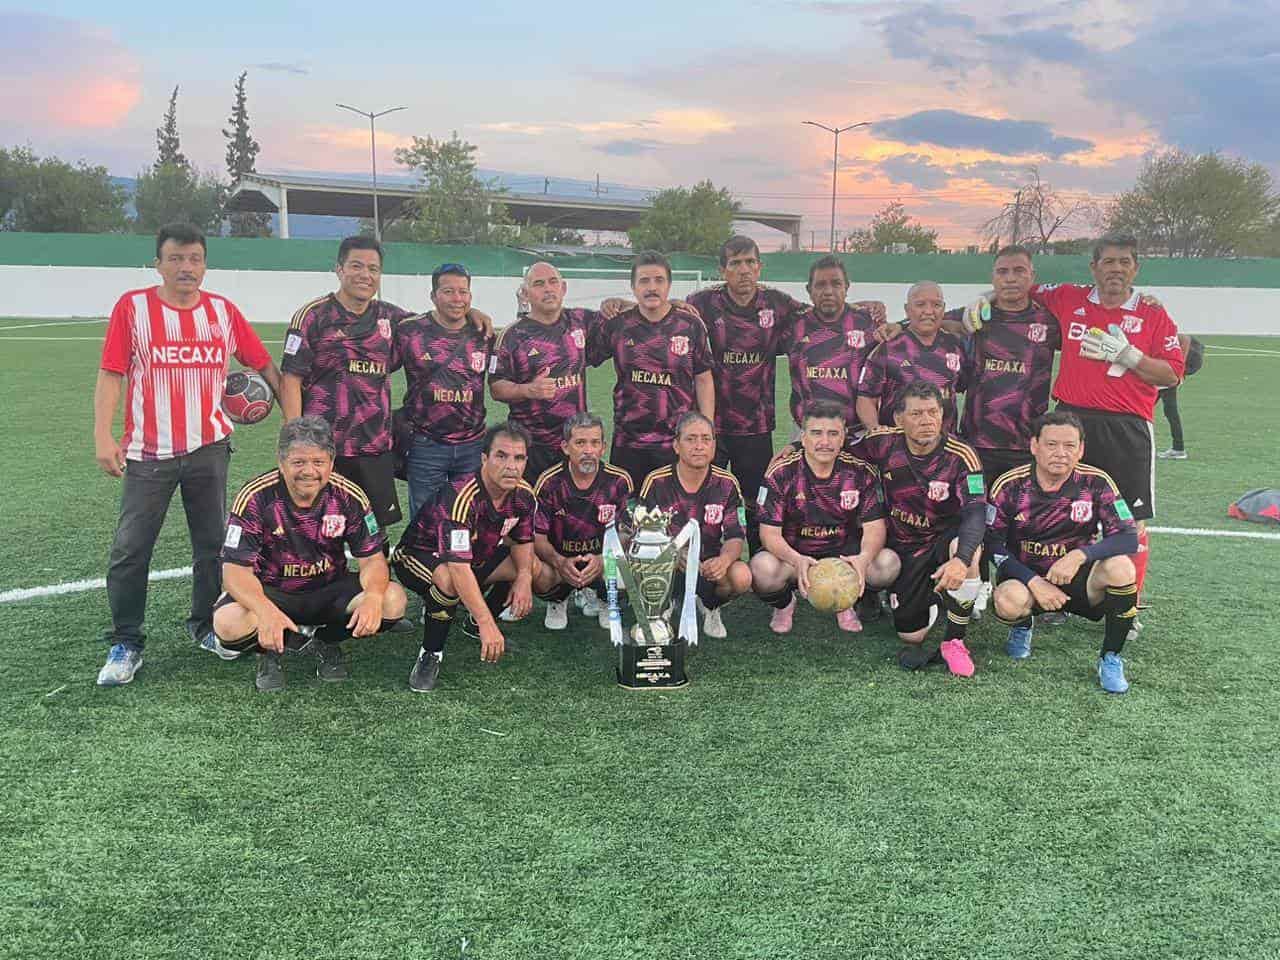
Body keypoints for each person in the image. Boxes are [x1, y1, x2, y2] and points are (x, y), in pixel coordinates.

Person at [94, 222, 282, 687]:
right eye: (176, 258)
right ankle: (127, 642)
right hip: (148, 452)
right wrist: (103, 435)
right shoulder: (133, 308)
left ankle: (205, 628)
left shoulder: (221, 311)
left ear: (204, 264)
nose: (186, 267)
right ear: (158, 264)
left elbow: (262, 363)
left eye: (194, 258)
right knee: (130, 549)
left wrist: (292, 423)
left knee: (213, 546)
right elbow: (112, 374)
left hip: (209, 449)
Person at [966, 234, 1184, 598]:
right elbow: (1020, 288)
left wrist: (1130, 357)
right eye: (1109, 262)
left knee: (1132, 520)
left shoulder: (1152, 313)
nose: (1116, 269)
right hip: (1071, 421)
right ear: (1094, 267)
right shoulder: (1069, 297)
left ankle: (1129, 606)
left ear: (1136, 267)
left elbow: (1171, 374)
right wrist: (983, 297)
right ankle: (1057, 590)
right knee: (1060, 511)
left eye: (1124, 262)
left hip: (1127, 426)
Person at [212, 417, 407, 691]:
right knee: (227, 623)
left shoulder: (349, 495)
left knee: (392, 600)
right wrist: (264, 609)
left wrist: (373, 597)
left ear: (331, 462)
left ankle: (326, 640)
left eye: (318, 462)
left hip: (329, 590)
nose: (309, 471)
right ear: (282, 463)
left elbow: (372, 559)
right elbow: (234, 572)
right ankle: (269, 652)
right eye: (298, 462)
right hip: (272, 592)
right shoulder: (256, 496)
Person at [392, 422, 560, 693]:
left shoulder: (524, 495)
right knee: (448, 581)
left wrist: (524, 579)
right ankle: (431, 653)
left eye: (519, 458)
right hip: (418, 556)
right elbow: (458, 569)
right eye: (501, 456)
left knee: (529, 565)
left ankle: (472, 624)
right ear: (484, 458)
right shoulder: (461, 495)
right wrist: (488, 624)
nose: (511, 466)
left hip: (473, 557)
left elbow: (522, 540)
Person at [987, 411, 1140, 693]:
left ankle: (1110, 657)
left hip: (1080, 581)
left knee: (1122, 568)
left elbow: (1129, 537)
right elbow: (991, 542)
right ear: (1034, 446)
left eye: (1069, 446)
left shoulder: (1097, 482)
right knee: (1008, 601)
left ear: (1081, 449)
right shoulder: (1010, 484)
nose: (1060, 453)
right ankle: (1022, 625)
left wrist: (1079, 556)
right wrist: (1034, 582)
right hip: (1028, 580)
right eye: (1051, 444)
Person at [854, 383, 987, 675]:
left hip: (942, 540)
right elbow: (838, 450)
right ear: (899, 419)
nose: (927, 420)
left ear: (943, 415)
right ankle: (933, 598)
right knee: (910, 636)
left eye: (933, 412)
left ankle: (954, 640)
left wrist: (961, 559)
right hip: (903, 545)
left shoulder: (961, 454)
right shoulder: (883, 443)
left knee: (969, 552)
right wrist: (794, 448)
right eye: (916, 414)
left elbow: (976, 512)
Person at [280, 236, 411, 532]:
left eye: (374, 269)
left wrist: (473, 313)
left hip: (374, 446)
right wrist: (297, 441)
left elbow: (434, 328)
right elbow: (291, 379)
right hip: (324, 448)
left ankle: (374, 579)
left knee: (374, 531)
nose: (366, 275)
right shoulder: (312, 316)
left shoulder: (392, 317)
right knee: (319, 529)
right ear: (339, 269)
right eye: (357, 266)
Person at [751, 401, 891, 635]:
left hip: (845, 557)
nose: (825, 442)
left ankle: (846, 601)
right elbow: (768, 534)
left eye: (833, 434)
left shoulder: (861, 472)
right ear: (803, 437)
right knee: (760, 569)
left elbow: (875, 527)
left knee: (887, 563)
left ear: (843, 437)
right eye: (816, 433)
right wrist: (796, 560)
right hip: (796, 558)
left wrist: (863, 558)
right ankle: (785, 604)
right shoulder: (781, 472)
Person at [587, 251, 715, 491]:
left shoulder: (690, 325)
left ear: (669, 285)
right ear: (633, 287)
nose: (652, 287)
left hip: (676, 442)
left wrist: (706, 429)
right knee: (629, 515)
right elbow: (581, 357)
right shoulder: (618, 325)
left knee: (676, 516)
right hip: (629, 441)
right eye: (644, 281)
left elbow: (704, 379)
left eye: (659, 280)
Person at [638, 412, 752, 639]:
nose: (699, 446)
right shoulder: (656, 481)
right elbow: (642, 535)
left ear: (714, 445)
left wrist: (724, 560)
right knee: (650, 561)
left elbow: (735, 536)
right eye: (691, 439)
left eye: (706, 439)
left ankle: (710, 606)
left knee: (741, 576)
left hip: (706, 566)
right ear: (676, 445)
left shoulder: (727, 483)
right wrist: (672, 552)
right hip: (669, 565)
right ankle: (663, 606)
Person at [490, 262, 606, 483]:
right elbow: (496, 388)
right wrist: (528, 390)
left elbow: (627, 319)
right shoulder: (512, 336)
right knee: (530, 509)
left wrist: (619, 302)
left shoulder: (582, 321)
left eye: (553, 282)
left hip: (575, 442)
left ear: (563, 288)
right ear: (525, 294)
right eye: (539, 284)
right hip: (531, 445)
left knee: (574, 509)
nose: (548, 289)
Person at [397, 263, 497, 519]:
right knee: (425, 520)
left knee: (469, 517)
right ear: (433, 296)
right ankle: (426, 561)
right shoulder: (409, 331)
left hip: (472, 446)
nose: (457, 299)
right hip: (425, 444)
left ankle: (462, 561)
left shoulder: (484, 334)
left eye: (463, 292)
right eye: (448, 291)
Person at [533, 412, 634, 631]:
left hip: (602, 560)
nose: (588, 450)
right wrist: (559, 561)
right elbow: (537, 537)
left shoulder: (619, 480)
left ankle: (605, 598)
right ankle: (557, 599)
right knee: (533, 568)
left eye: (594, 443)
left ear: (603, 447)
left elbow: (627, 532)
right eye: (580, 443)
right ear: (565, 447)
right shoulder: (549, 482)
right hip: (559, 562)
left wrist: (602, 559)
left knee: (634, 560)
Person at [785, 256, 885, 434]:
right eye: (820, 285)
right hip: (806, 433)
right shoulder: (793, 325)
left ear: (847, 287)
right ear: (809, 290)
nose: (828, 291)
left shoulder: (869, 323)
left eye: (836, 284)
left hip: (856, 433)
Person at [857, 281, 967, 435]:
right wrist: (876, 431)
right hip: (899, 449)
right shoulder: (888, 347)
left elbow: (963, 387)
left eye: (936, 304)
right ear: (907, 310)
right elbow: (866, 398)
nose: (928, 311)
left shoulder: (955, 345)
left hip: (945, 450)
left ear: (943, 309)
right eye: (920, 304)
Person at [1157, 334, 1204, 460]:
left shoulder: (1161, 329)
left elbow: (1185, 339)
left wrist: (1178, 369)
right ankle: (1178, 448)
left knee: (1143, 409)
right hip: (1171, 373)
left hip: (1171, 373)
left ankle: (1178, 449)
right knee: (1170, 410)